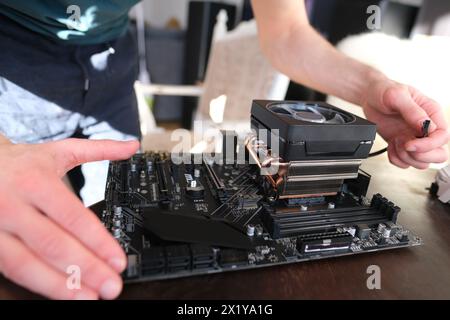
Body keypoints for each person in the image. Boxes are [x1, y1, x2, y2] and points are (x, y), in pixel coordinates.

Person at [0, 0, 448, 300]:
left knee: (113, 198)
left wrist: (372, 87)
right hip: (12, 52)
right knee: (35, 220)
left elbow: (288, 33)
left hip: (110, 53)